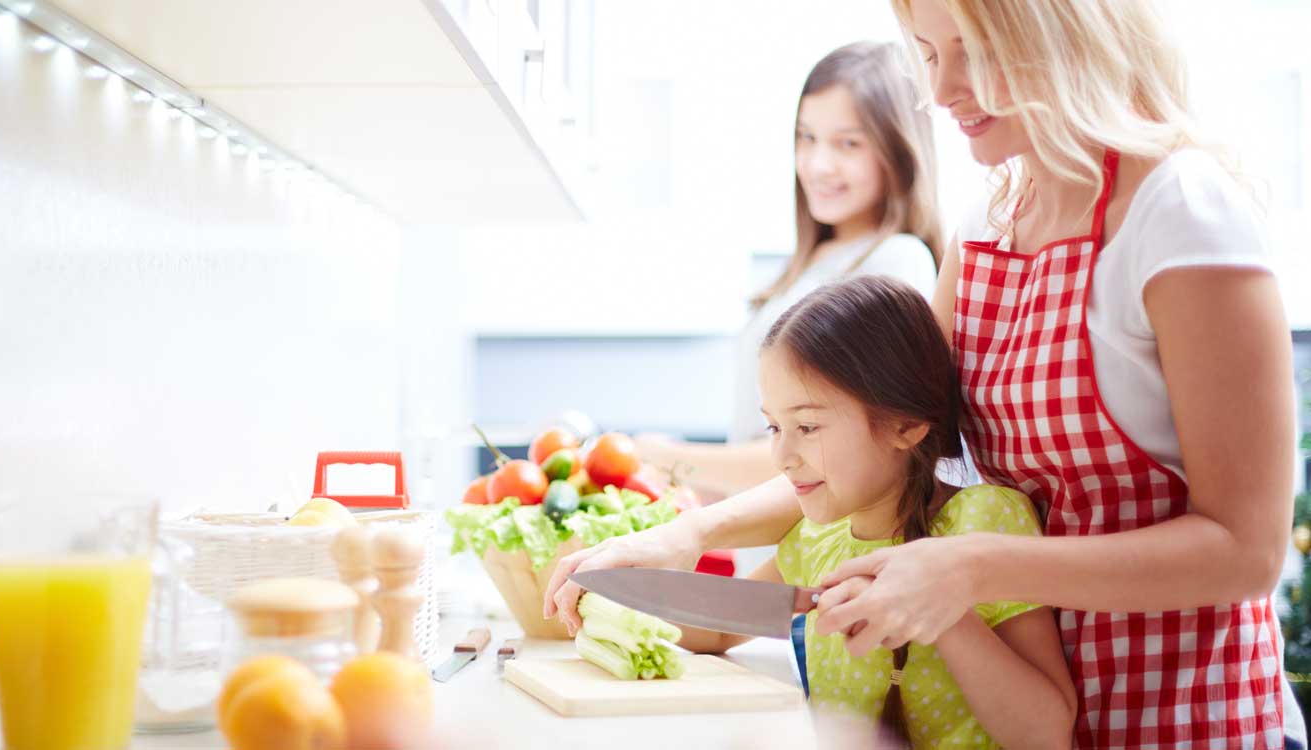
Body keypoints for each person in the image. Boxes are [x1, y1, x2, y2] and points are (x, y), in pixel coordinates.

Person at [547, 0, 1300, 745]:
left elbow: (1246, 549)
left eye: (972, 52)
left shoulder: (1180, 211)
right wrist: (686, 536)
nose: (940, 94)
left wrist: (970, 569)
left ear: (1059, 36)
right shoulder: (992, 224)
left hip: (1182, 719)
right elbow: (870, 442)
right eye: (930, 56)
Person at [670, 276, 1074, 747]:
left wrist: (939, 612)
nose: (782, 455)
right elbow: (719, 630)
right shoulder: (817, 538)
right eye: (774, 426)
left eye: (807, 425)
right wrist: (603, 603)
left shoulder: (984, 522)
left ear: (906, 425)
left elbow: (1046, 733)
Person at [633, 40, 941, 505]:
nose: (818, 164)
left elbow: (828, 451)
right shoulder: (807, 266)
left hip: (826, 559)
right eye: (807, 137)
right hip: (769, 549)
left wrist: (668, 457)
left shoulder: (896, 261)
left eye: (848, 143)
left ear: (898, 151)